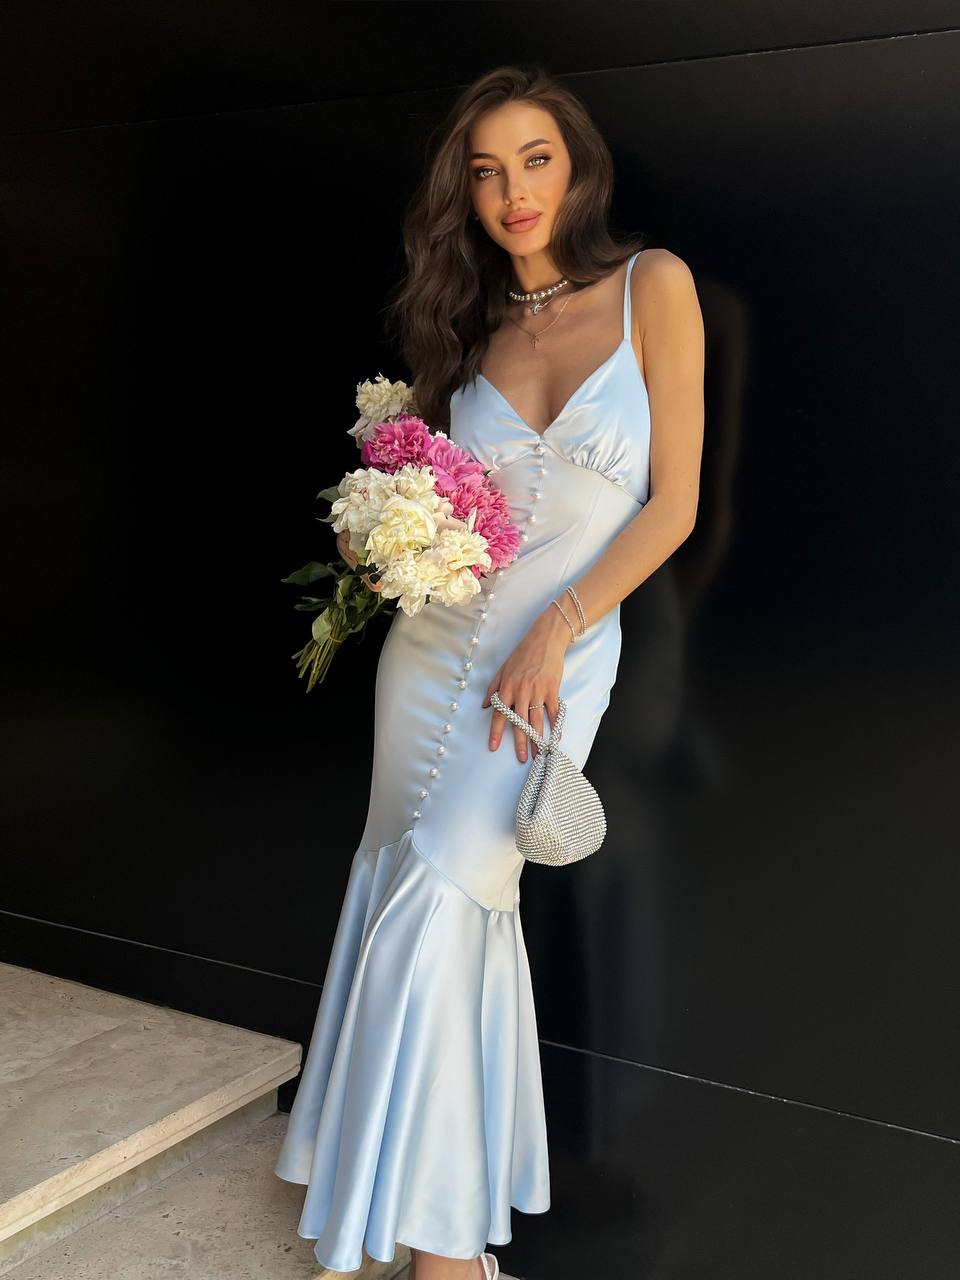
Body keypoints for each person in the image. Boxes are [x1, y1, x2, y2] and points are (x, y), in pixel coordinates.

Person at [274, 62, 705, 1280]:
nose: (511, 190)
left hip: (550, 664)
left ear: (577, 169)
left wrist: (559, 623)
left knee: (451, 904)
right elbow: (425, 495)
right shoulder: (464, 326)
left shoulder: (652, 288)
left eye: (534, 159)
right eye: (484, 169)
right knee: (415, 908)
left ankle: (437, 1239)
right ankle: (436, 1246)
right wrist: (378, 536)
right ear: (462, 196)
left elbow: (671, 507)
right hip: (426, 663)